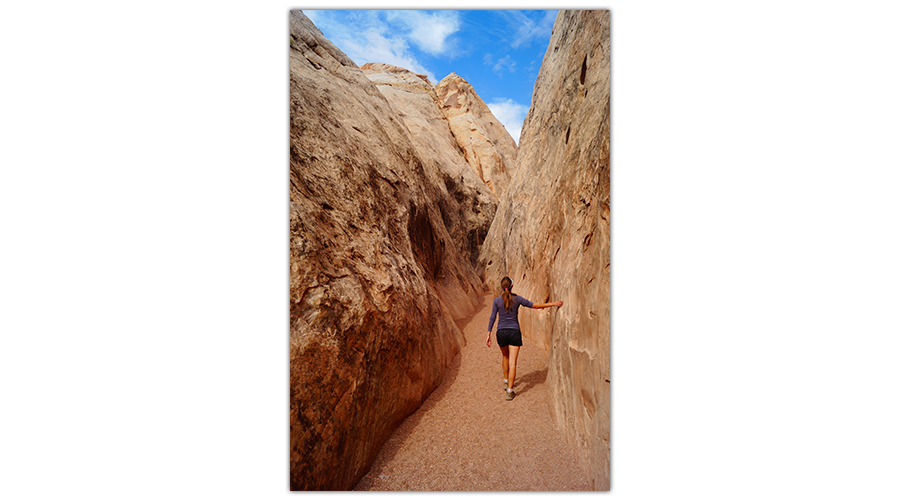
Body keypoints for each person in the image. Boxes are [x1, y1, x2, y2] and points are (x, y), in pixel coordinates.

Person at [486, 276, 563, 400]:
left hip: (501, 332)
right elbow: (535, 306)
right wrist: (554, 303)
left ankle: (506, 381)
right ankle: (510, 391)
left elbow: (492, 317)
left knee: (505, 357)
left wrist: (488, 333)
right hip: (514, 332)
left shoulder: (496, 301)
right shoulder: (517, 299)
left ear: (502, 287)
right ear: (512, 286)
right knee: (513, 363)